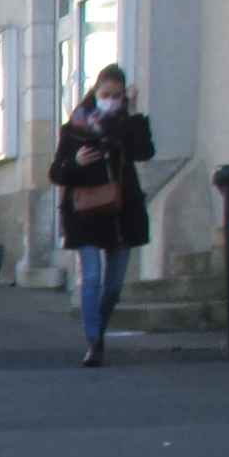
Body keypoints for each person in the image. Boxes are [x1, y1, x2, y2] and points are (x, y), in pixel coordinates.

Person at [48, 63, 156, 367]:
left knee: (114, 286)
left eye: (117, 95)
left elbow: (145, 152)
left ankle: (99, 328)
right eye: (106, 94)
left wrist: (132, 116)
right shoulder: (76, 128)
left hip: (122, 213)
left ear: (125, 96)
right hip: (85, 214)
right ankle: (94, 341)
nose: (110, 99)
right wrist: (76, 161)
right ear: (95, 92)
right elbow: (57, 172)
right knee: (91, 277)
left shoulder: (129, 124)